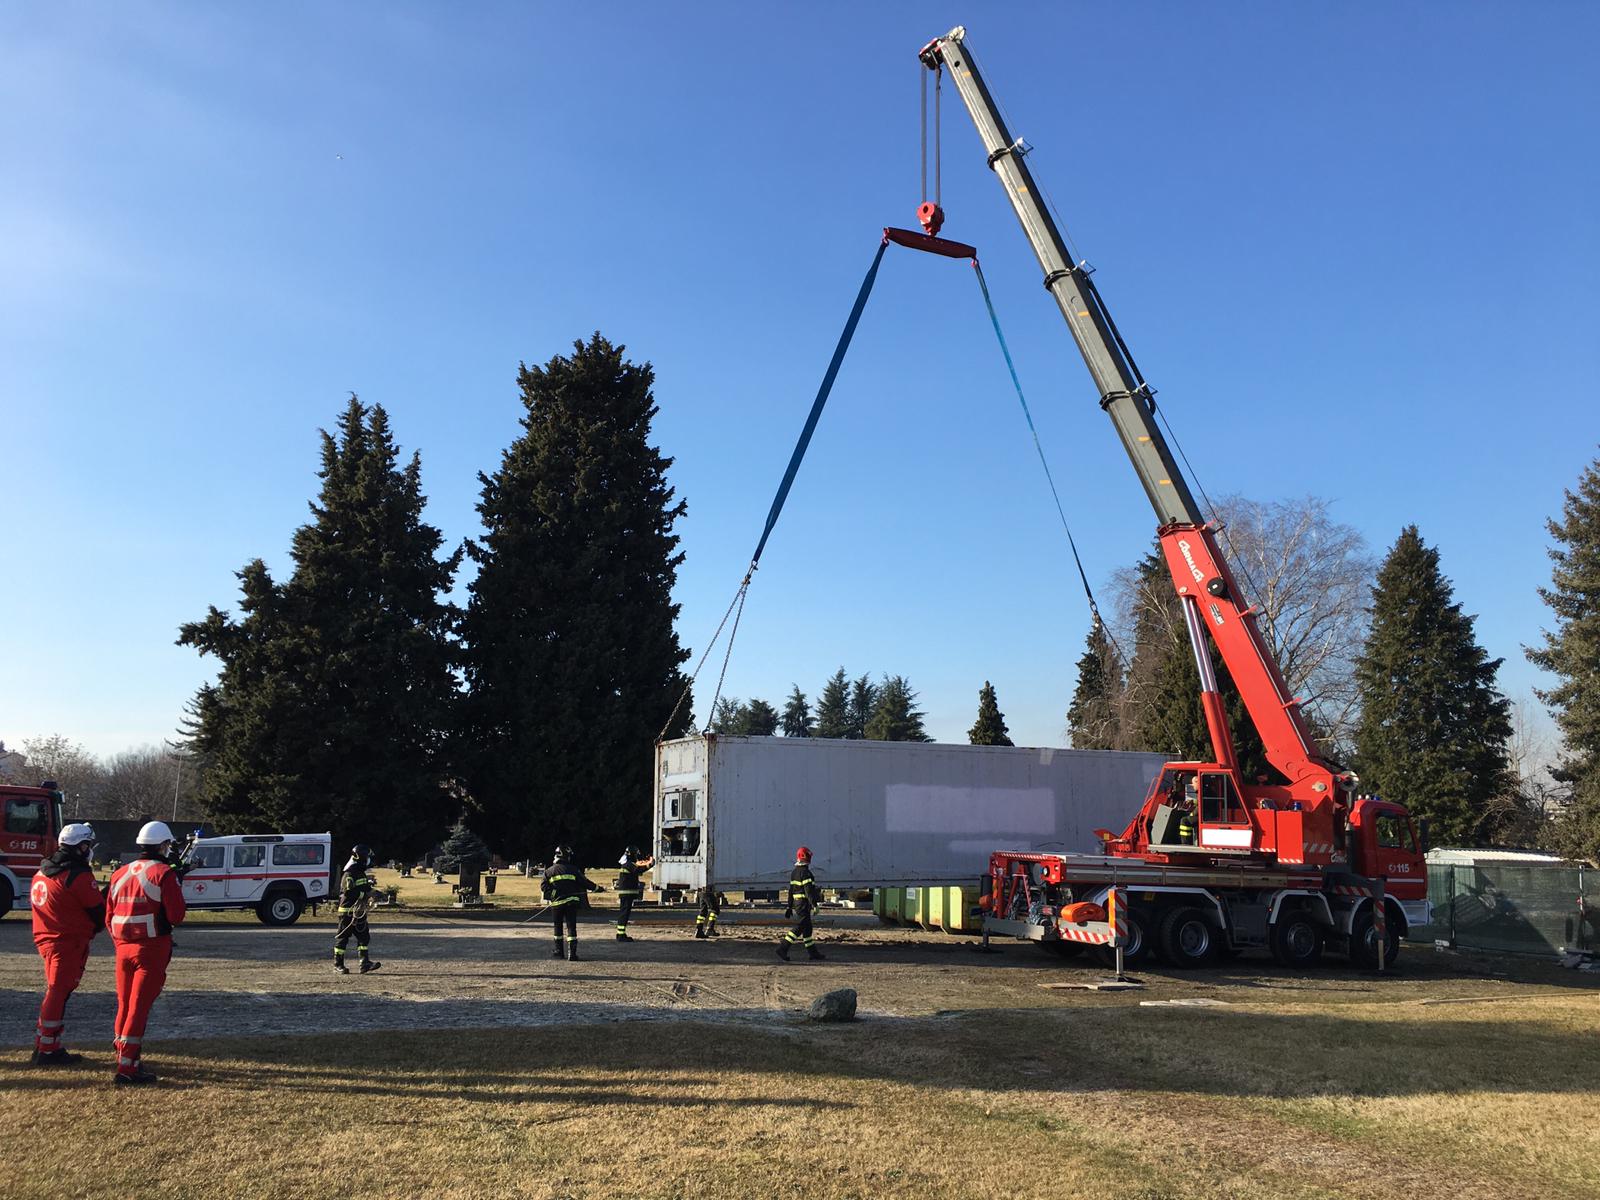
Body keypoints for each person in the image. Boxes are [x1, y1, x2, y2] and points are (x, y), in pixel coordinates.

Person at [105, 821, 187, 1086]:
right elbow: (176, 915)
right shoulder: (163, 873)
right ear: (163, 845)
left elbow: (108, 915)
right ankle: (128, 1067)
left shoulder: (120, 873)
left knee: (125, 1004)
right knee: (139, 1008)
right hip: (151, 948)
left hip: (123, 946)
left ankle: (123, 1056)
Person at [29, 822, 104, 1067]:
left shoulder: (42, 872)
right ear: (80, 846)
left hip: (47, 939)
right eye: (87, 845)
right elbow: (98, 911)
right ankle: (47, 1049)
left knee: (56, 992)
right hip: (67, 942)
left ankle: (44, 1043)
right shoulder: (77, 875)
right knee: (58, 992)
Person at [542, 845, 600, 960]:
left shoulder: (549, 871)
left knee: (558, 927)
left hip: (557, 904)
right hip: (571, 903)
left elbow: (544, 887)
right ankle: (572, 954)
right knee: (571, 927)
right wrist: (598, 888)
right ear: (567, 857)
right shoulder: (574, 870)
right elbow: (585, 882)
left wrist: (554, 894)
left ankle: (559, 951)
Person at [334, 844, 382, 975]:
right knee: (343, 937)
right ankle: (338, 964)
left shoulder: (361, 874)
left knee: (364, 937)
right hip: (347, 911)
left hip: (359, 911)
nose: (369, 861)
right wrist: (365, 895)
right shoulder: (349, 874)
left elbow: (365, 888)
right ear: (362, 858)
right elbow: (349, 893)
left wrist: (375, 893)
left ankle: (364, 963)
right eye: (367, 858)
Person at [777, 846, 824, 961]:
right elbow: (809, 891)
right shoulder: (806, 873)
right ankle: (783, 948)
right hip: (803, 904)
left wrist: (789, 906)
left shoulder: (794, 873)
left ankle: (813, 953)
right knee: (799, 927)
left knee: (807, 929)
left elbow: (791, 891)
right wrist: (814, 905)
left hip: (798, 904)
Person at [613, 845, 652, 942]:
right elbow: (638, 869)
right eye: (636, 854)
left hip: (626, 893)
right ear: (632, 854)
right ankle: (621, 935)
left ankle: (620, 934)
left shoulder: (627, 863)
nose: (636, 856)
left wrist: (645, 862)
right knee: (624, 914)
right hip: (627, 893)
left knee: (624, 913)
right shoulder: (628, 864)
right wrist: (650, 865)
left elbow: (637, 868)